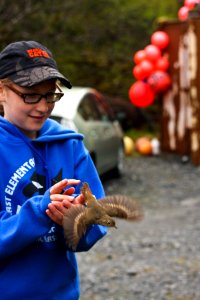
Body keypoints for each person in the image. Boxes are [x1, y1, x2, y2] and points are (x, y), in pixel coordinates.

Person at [0, 40, 107, 299]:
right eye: (30, 94)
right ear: (2, 91)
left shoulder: (70, 144)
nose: (43, 106)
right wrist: (39, 212)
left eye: (50, 95)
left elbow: (97, 222)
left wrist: (76, 221)